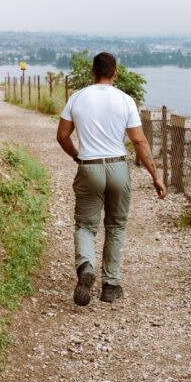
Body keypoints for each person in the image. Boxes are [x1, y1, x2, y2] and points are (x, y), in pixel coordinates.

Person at [56, 52, 166, 306]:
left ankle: (86, 267)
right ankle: (110, 285)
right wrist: (156, 176)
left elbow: (62, 136)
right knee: (115, 226)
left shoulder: (77, 97)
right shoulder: (126, 100)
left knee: (85, 225)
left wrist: (78, 157)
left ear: (92, 71)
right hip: (118, 167)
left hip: (89, 167)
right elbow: (139, 141)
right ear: (115, 73)